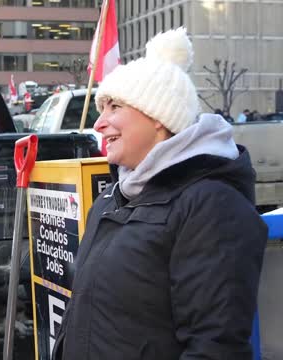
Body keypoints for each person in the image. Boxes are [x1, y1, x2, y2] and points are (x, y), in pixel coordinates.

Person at [53, 27, 267, 360]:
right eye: (101, 108)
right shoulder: (113, 197)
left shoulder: (211, 204)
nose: (98, 123)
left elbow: (214, 346)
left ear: (157, 118)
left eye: (114, 107)